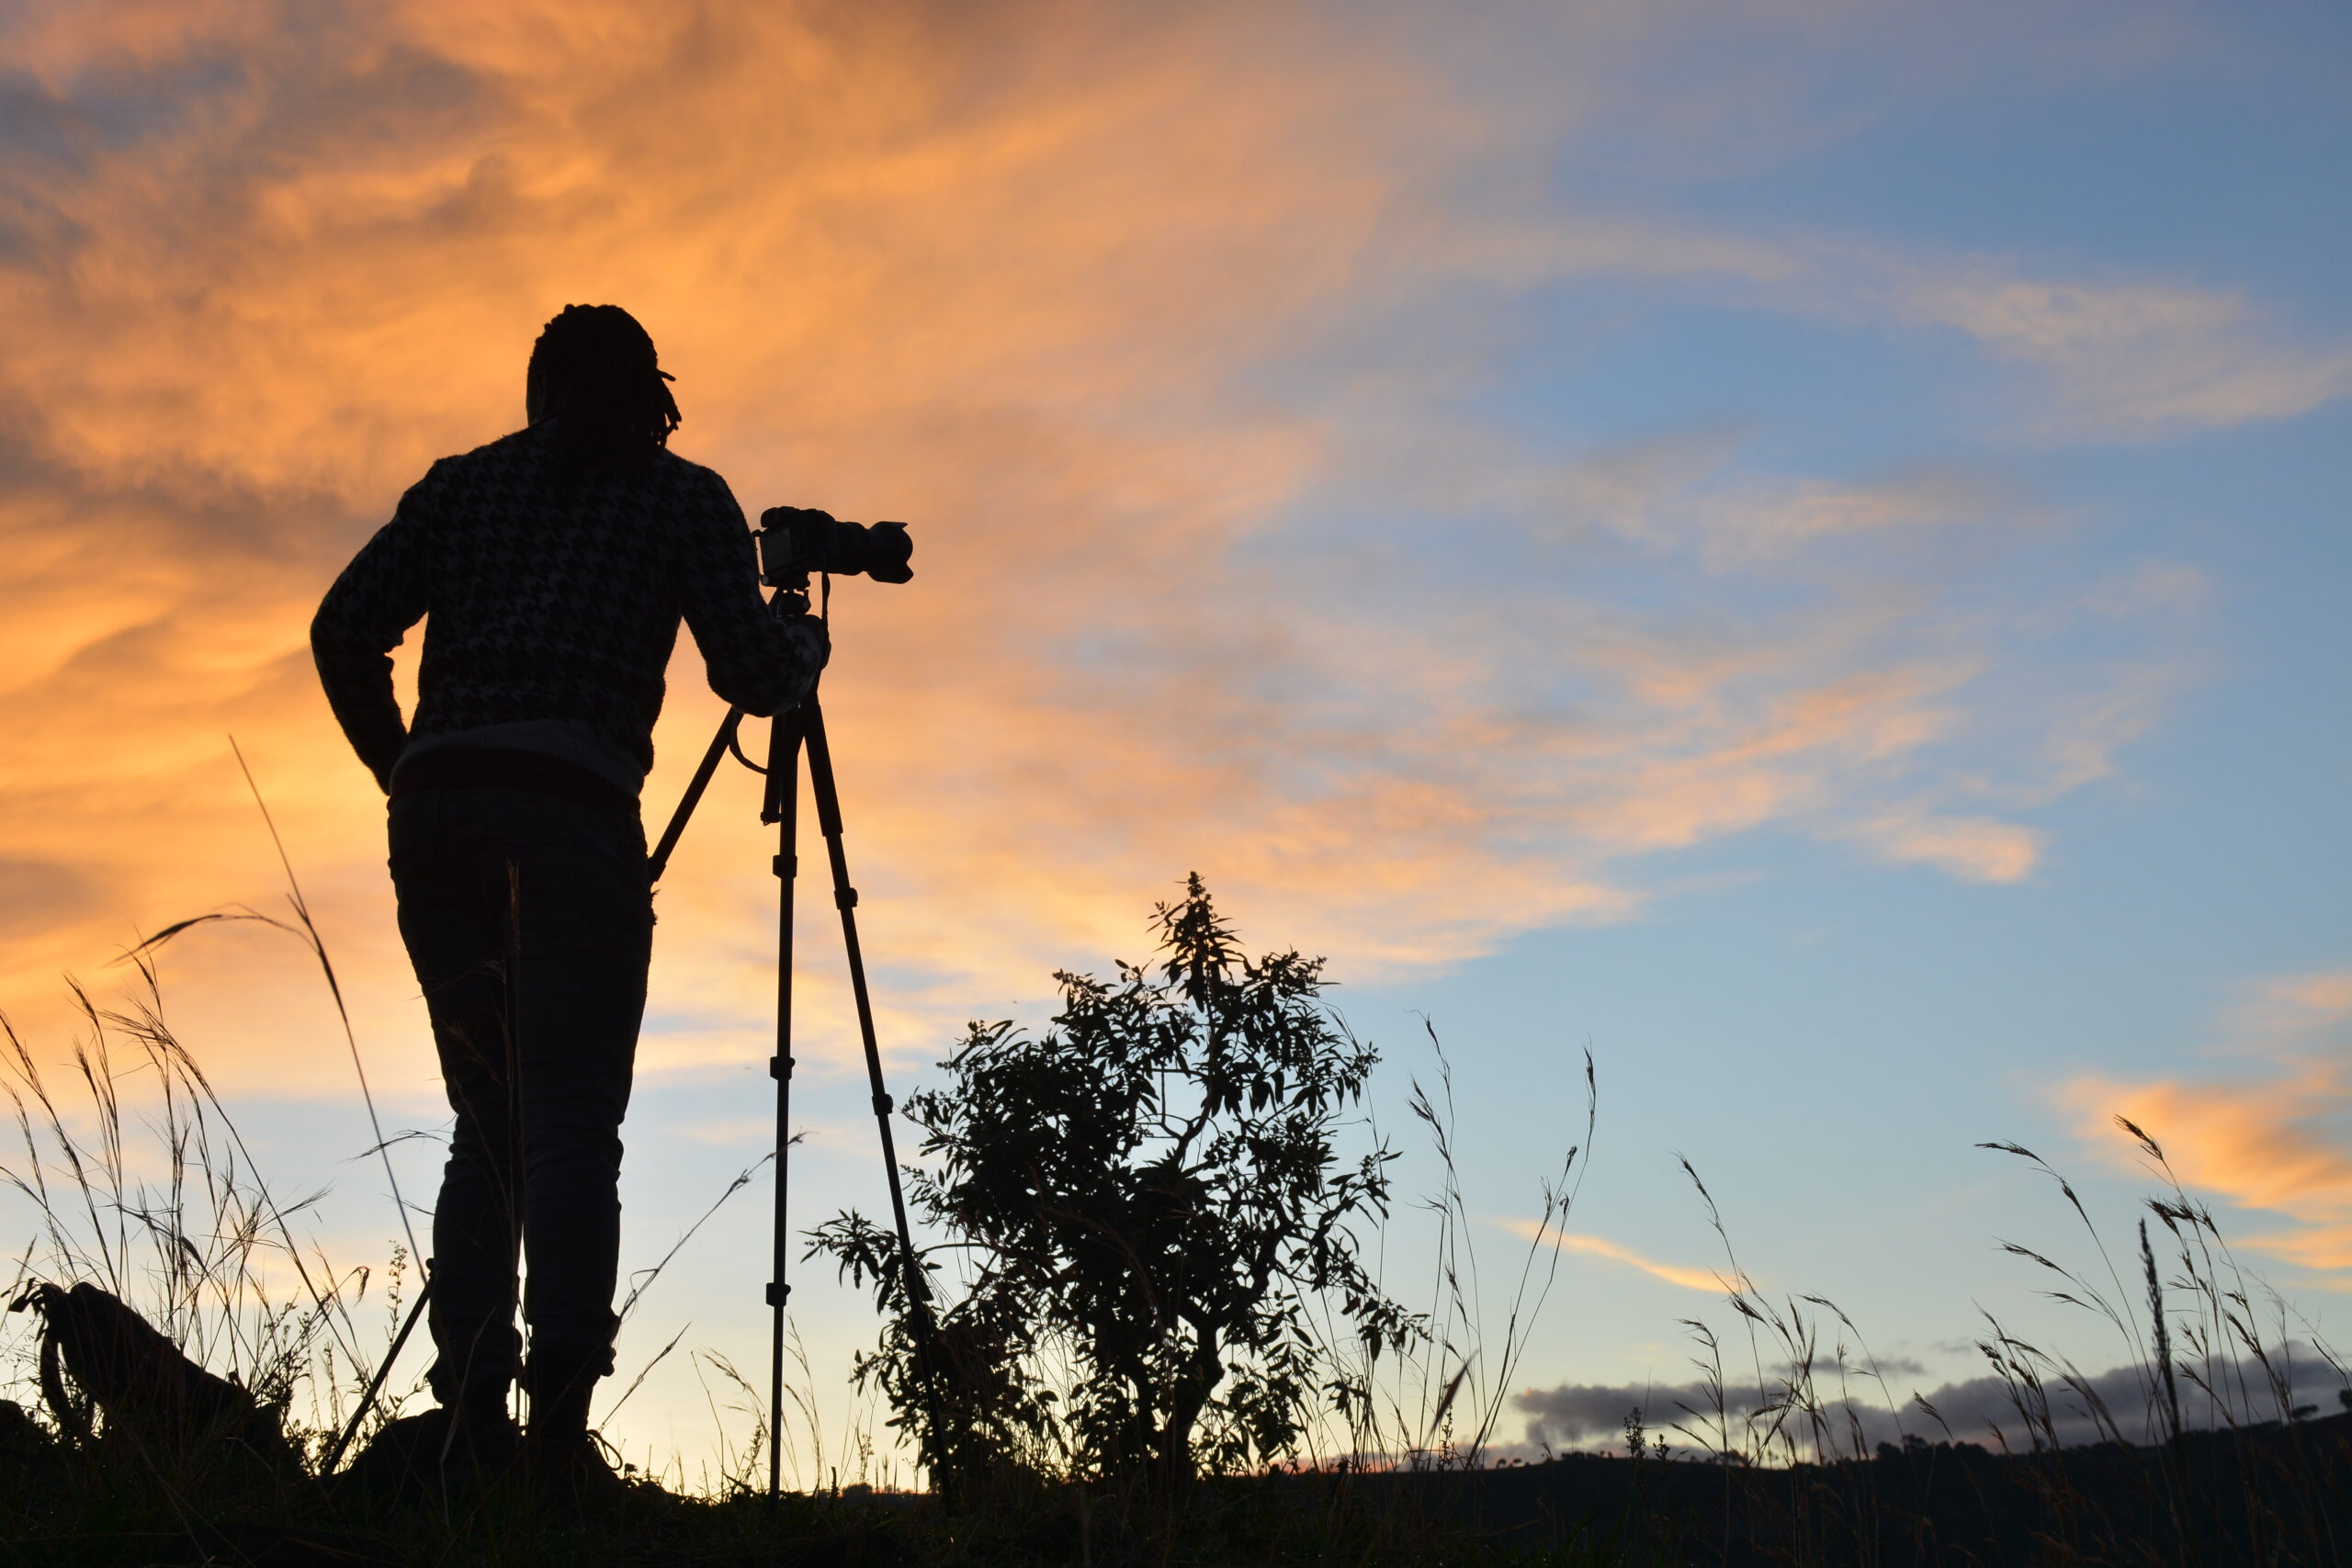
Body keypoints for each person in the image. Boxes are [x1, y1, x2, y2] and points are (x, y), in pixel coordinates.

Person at [311, 304, 827, 1496]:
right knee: (569, 1124)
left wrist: (406, 769)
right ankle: (552, 1432)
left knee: (487, 1120)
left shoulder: (463, 487)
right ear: (650, 393)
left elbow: (344, 629)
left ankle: (469, 1415)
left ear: (538, 392)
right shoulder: (681, 495)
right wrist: (805, 647)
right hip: (570, 813)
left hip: (440, 812)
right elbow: (750, 674)